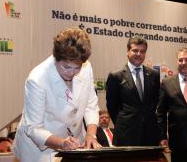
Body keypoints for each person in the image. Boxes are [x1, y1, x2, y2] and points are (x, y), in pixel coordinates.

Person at [13, 28, 100, 162]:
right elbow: (34, 128)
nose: (72, 73)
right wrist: (62, 143)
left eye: (77, 68)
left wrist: (91, 135)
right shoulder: (37, 79)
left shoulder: (86, 67)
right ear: (56, 59)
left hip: (75, 145)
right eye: (66, 67)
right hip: (38, 151)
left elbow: (91, 105)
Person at [106, 36, 160, 146]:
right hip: (125, 134)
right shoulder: (116, 76)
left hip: (150, 133)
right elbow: (112, 105)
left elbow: (155, 101)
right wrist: (124, 122)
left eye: (142, 51)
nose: (138, 54)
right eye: (135, 50)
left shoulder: (154, 74)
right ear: (128, 52)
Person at [156, 47, 187, 162]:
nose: (183, 63)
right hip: (177, 142)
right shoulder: (167, 83)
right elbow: (160, 113)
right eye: (180, 60)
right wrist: (162, 136)